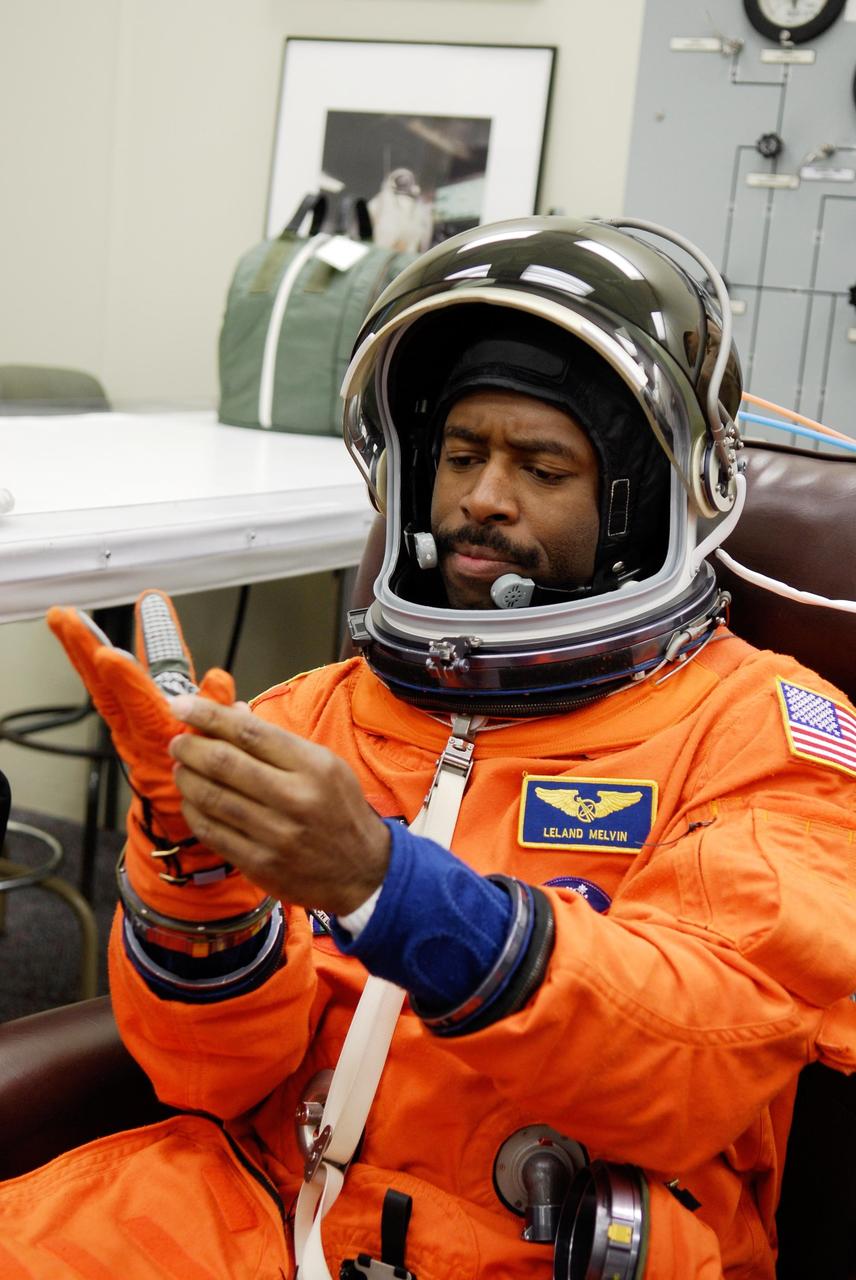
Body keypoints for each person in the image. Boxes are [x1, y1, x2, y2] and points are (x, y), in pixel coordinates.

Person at [2, 216, 855, 1280]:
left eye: (541, 465)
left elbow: (688, 1057)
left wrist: (384, 884)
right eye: (460, 454)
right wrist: (199, 882)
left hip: (532, 1245)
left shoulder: (764, 732)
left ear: (643, 500)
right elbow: (210, 1080)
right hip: (248, 1206)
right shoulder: (316, 713)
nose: (481, 498)